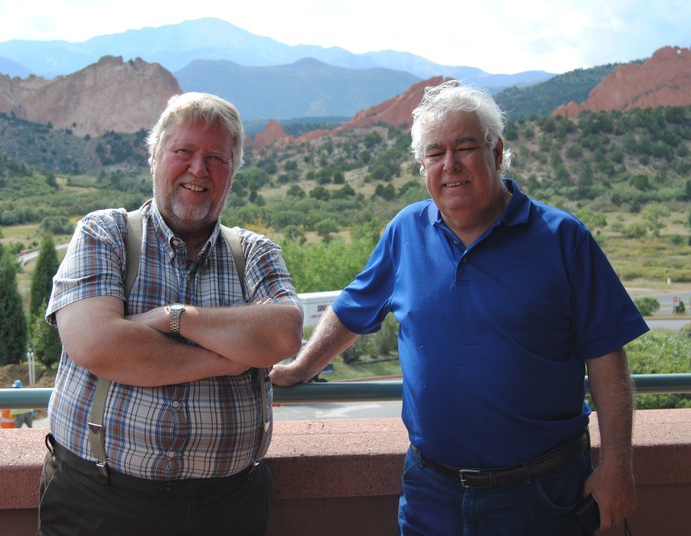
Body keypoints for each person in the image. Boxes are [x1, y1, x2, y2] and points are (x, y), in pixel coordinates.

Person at [271, 80, 648, 536]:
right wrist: (301, 368)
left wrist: (617, 467)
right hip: (432, 493)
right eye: (435, 153)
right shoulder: (405, 231)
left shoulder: (563, 238)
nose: (450, 165)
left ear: (497, 151)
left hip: (543, 496)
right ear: (423, 165)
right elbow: (353, 310)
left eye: (465, 146)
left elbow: (608, 358)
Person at [38, 92, 303, 536]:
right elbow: (96, 344)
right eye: (184, 151)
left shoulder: (254, 252)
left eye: (216, 157)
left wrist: (171, 317)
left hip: (228, 508)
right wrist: (230, 357)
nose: (198, 169)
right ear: (155, 158)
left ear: (232, 173)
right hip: (99, 502)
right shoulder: (105, 233)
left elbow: (283, 335)